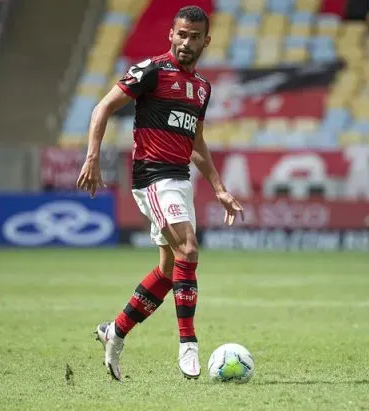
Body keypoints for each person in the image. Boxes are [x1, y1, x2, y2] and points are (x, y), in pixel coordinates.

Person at [76, 5, 244, 381]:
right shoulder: (151, 70)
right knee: (189, 248)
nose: (186, 42)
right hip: (152, 177)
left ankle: (115, 331)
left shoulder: (202, 88)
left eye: (194, 36)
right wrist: (93, 157)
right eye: (181, 34)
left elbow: (196, 141)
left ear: (206, 41)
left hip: (180, 181)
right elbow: (102, 107)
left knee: (170, 272)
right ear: (171, 34)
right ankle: (188, 343)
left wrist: (219, 188)